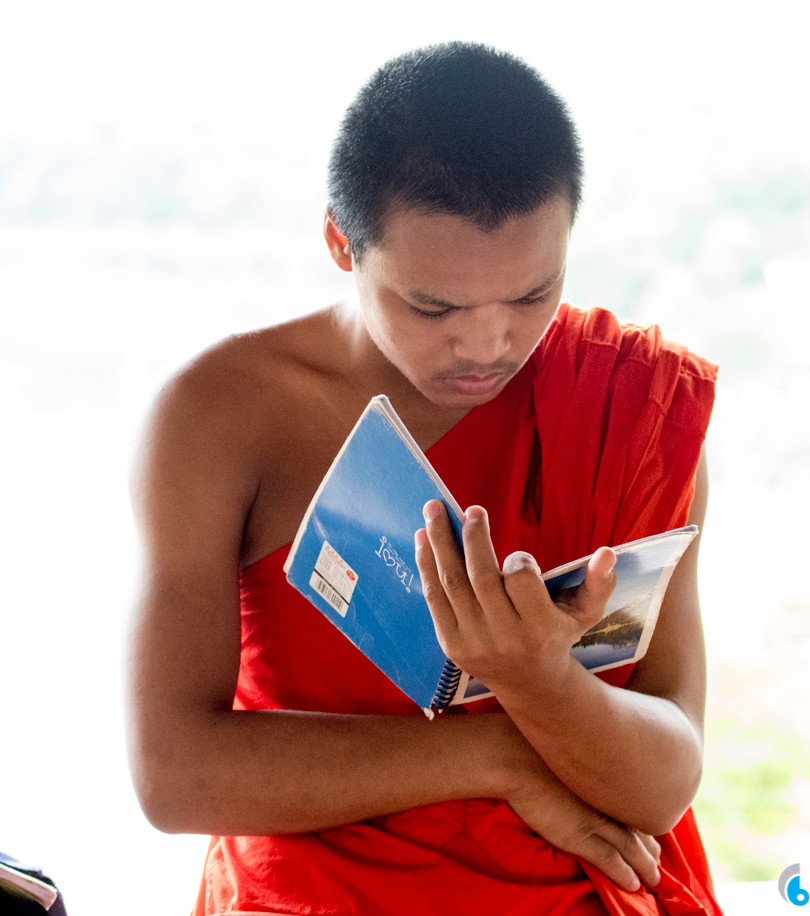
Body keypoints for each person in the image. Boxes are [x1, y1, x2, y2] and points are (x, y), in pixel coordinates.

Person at [127, 42, 722, 915]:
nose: (487, 348)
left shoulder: (629, 409)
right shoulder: (221, 417)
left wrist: (538, 681)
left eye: (532, 294)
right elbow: (173, 775)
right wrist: (501, 757)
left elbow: (663, 784)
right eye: (433, 307)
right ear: (342, 241)